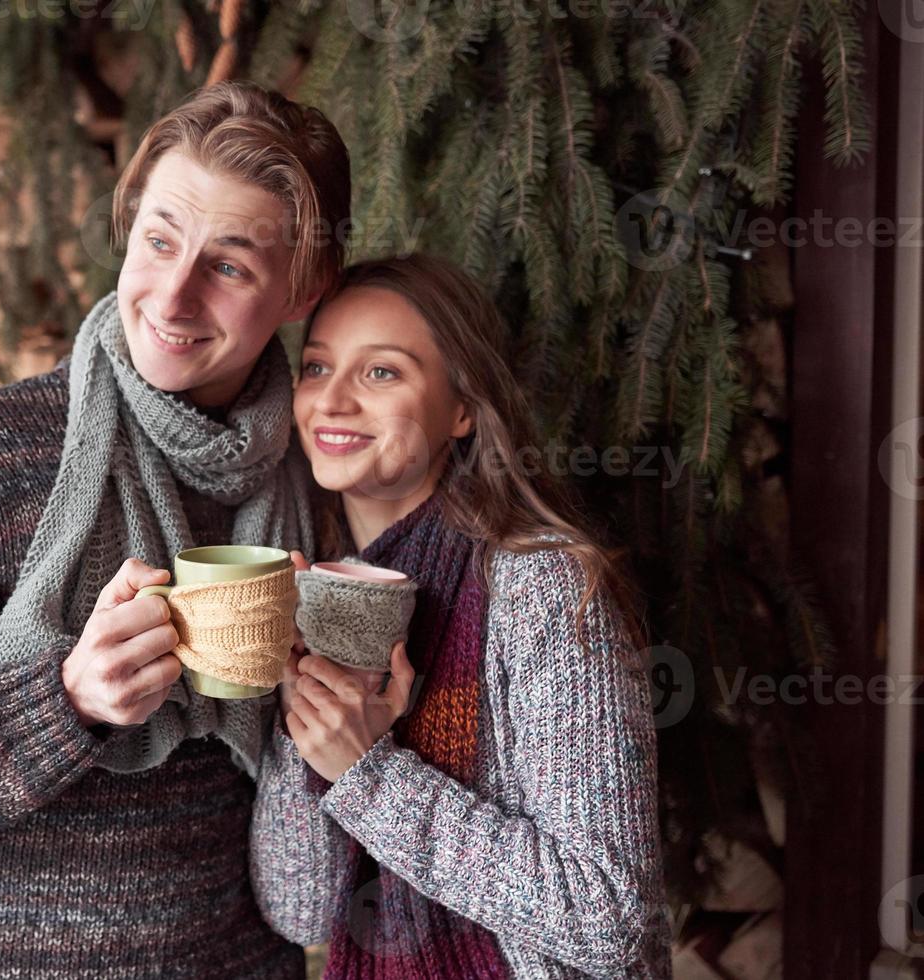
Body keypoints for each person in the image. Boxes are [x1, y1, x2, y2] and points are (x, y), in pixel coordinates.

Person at [0, 81, 351, 978]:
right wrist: (64, 699)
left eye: (228, 266)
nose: (172, 298)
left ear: (303, 290)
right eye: (159, 240)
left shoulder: (320, 478)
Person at [250, 253, 672, 977]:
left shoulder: (542, 585)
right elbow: (300, 910)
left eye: (381, 372)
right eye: (317, 368)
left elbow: (610, 917)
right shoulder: (313, 584)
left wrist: (370, 777)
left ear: (463, 408)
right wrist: (311, 712)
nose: (333, 401)